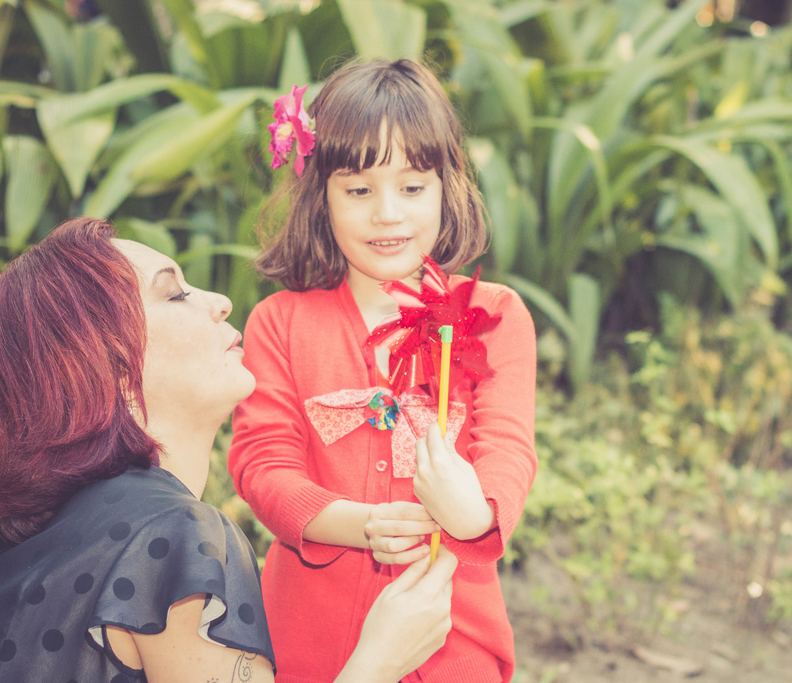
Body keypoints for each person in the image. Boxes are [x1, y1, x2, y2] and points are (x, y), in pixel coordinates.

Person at [0, 218, 457, 683]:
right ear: (108, 363)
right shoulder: (172, 536)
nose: (220, 302)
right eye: (175, 294)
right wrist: (383, 657)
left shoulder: (48, 542)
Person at [228, 59, 537, 683]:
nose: (388, 214)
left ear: (448, 186)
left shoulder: (494, 314)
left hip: (455, 637)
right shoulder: (278, 323)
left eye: (413, 187)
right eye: (359, 189)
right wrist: (359, 525)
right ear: (322, 195)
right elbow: (263, 466)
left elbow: (507, 449)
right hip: (307, 643)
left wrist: (474, 515)